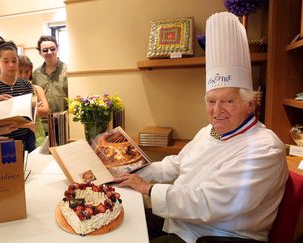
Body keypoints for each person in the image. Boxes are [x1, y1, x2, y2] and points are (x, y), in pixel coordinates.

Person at [115, 12, 289, 243]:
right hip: (182, 221)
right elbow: (176, 165)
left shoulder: (265, 149)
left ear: (251, 103)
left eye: (228, 101)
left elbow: (212, 202)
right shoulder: (208, 131)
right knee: (119, 222)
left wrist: (148, 189)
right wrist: (130, 172)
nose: (217, 111)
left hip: (217, 235)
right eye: (211, 101)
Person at [0, 41, 36, 152]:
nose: (11, 65)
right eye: (6, 61)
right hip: (4, 139)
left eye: (14, 61)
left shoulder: (26, 84)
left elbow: (31, 113)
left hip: (28, 138)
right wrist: (25, 124)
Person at [32, 35, 68, 133]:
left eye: (52, 49)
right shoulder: (35, 74)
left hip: (64, 123)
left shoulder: (68, 71)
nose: (49, 52)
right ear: (40, 52)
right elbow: (34, 97)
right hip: (43, 125)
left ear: (57, 48)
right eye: (45, 50)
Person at [18, 55, 50, 146]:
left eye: (27, 71)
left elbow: (45, 110)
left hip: (38, 135)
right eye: (20, 71)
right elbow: (11, 116)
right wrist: (35, 107)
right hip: (17, 135)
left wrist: (21, 111)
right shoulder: (10, 90)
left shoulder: (37, 89)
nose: (23, 75)